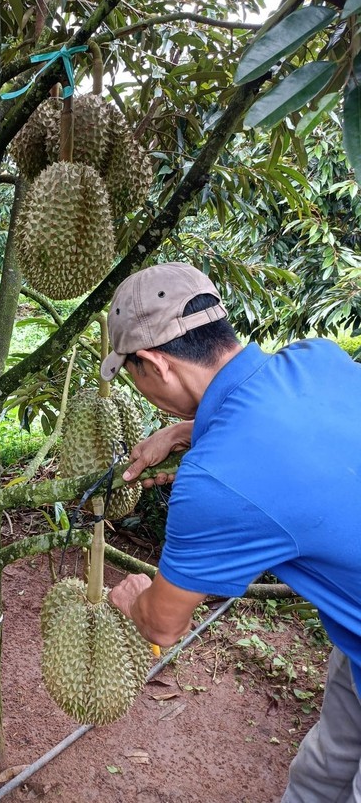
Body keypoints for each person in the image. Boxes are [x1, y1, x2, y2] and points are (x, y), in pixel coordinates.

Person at [102, 261, 361, 803]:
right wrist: (183, 429)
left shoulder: (214, 482)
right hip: (353, 631)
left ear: (154, 363)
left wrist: (129, 599)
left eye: (131, 372)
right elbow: (288, 436)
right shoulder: (319, 358)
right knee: (324, 768)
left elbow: (163, 626)